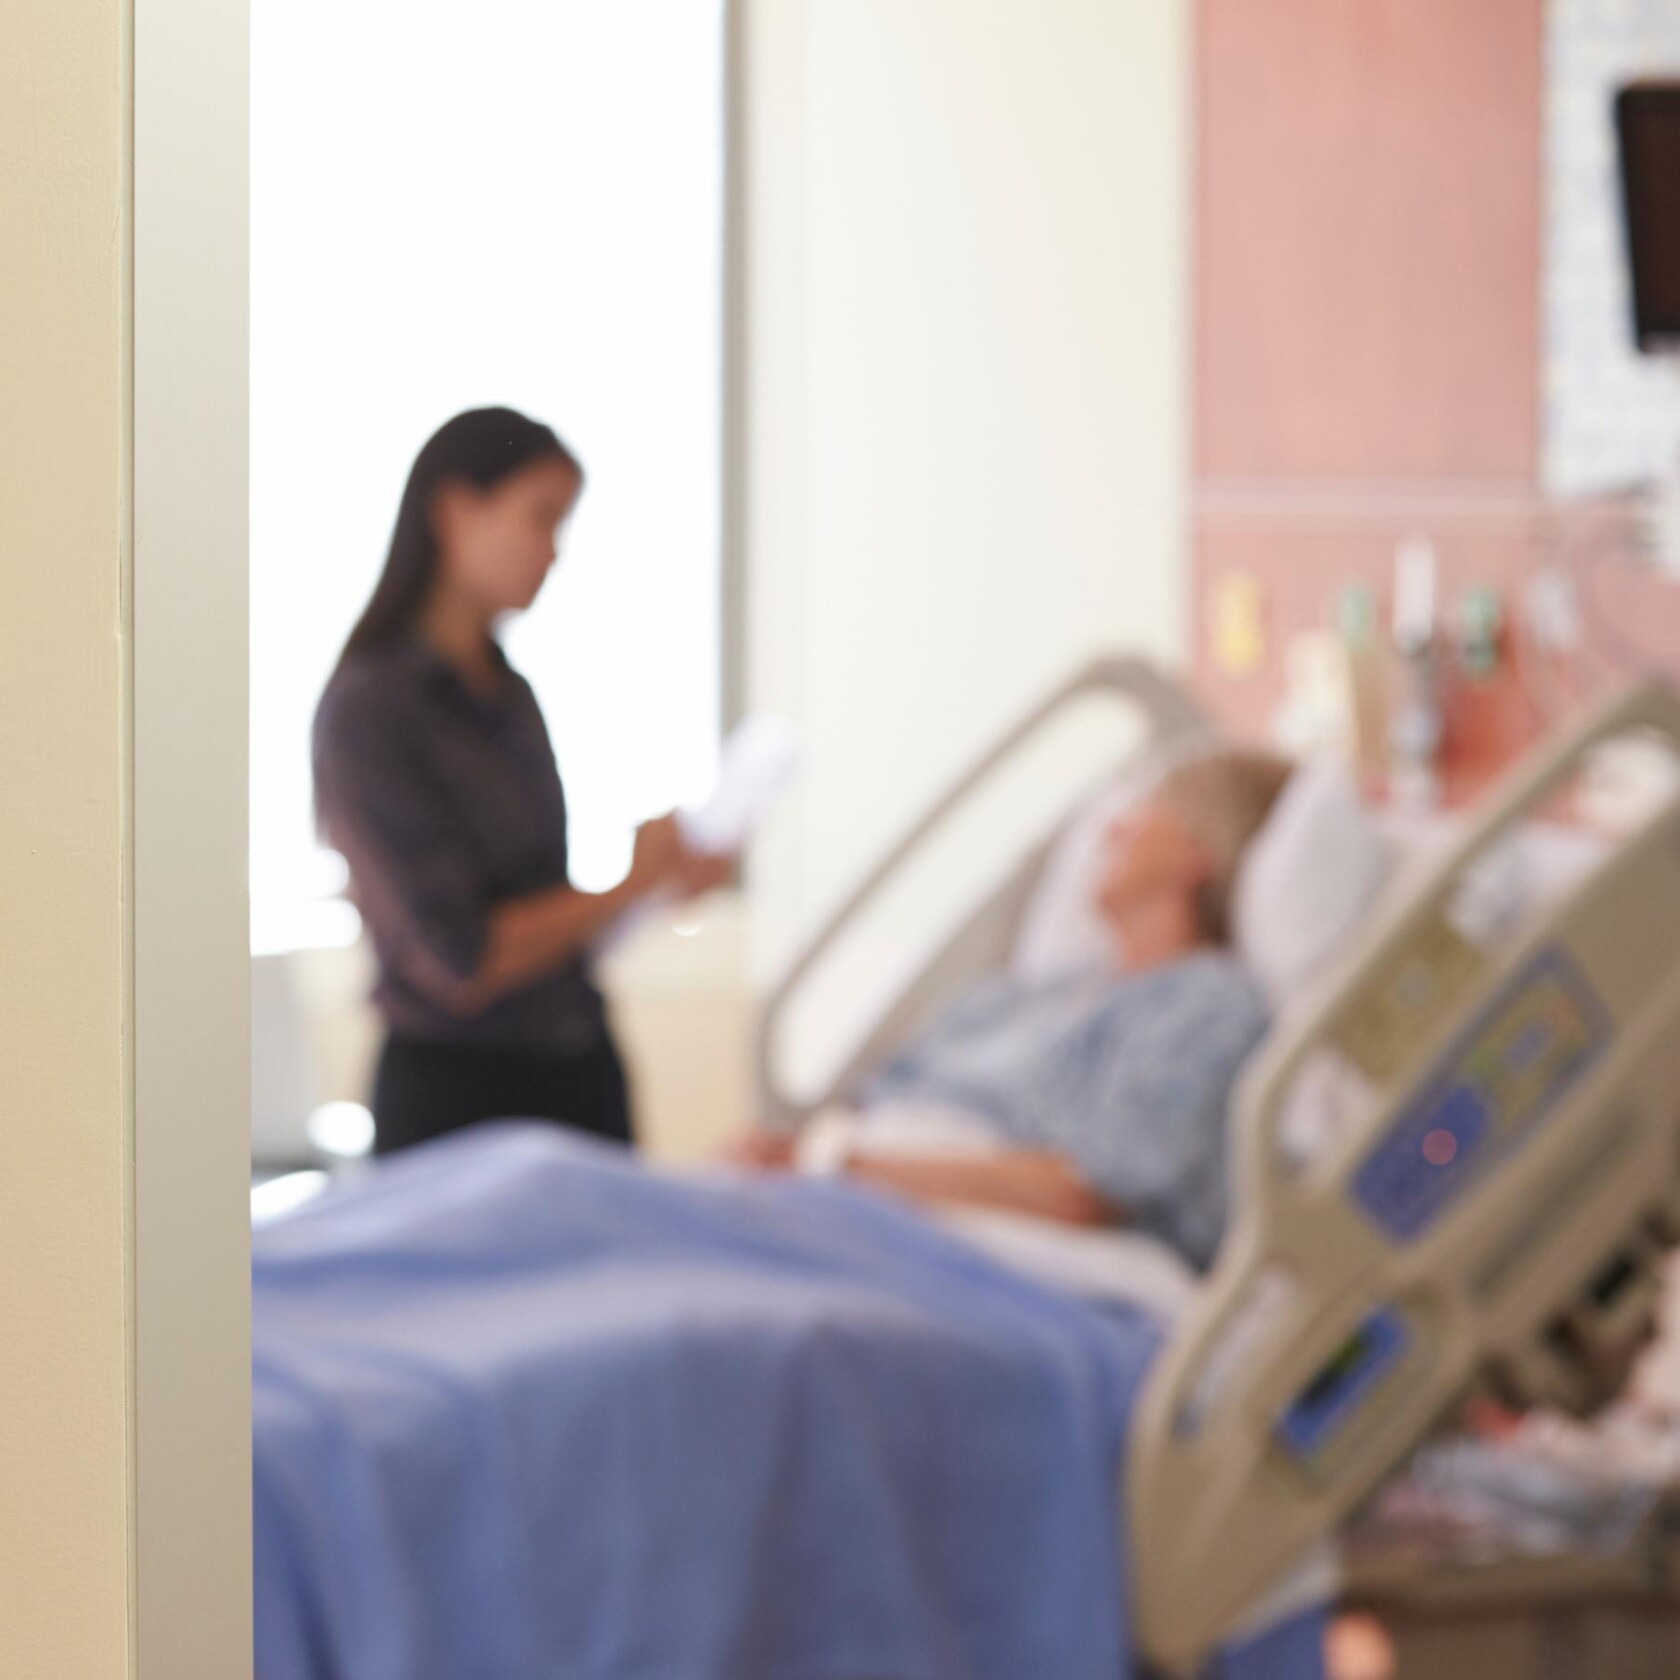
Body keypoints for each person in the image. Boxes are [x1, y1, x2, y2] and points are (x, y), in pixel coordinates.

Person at [314, 407, 729, 1156]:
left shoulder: (510, 696)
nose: (552, 552)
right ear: (453, 511)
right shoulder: (369, 714)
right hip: (457, 1106)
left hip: (578, 1076)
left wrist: (661, 881)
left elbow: (543, 910)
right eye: (541, 519)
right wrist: (629, 886)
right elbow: (459, 959)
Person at [733, 750, 1292, 1269]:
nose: (1113, 826)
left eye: (1152, 809)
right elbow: (877, 1099)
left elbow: (1091, 1193)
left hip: (960, 1252)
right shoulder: (1017, 997)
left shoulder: (1204, 1005)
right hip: (847, 1199)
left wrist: (835, 1164)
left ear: (1199, 850)